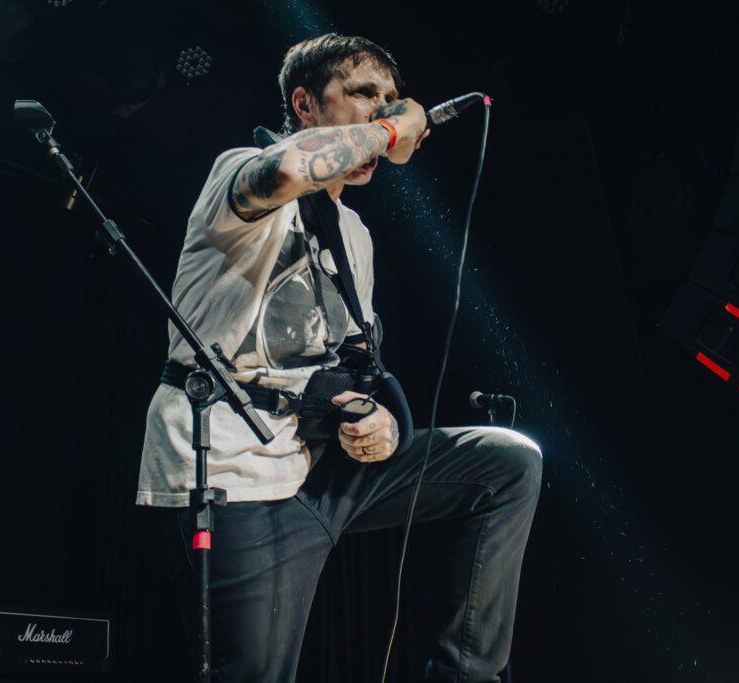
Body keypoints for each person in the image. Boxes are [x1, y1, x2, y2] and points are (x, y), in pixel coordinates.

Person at [137, 33, 542, 682]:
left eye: (390, 98)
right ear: (304, 104)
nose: (382, 110)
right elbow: (290, 172)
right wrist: (395, 128)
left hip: (317, 465)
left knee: (509, 462)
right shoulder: (241, 170)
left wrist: (370, 413)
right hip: (234, 474)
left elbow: (343, 363)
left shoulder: (355, 233)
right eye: (362, 94)